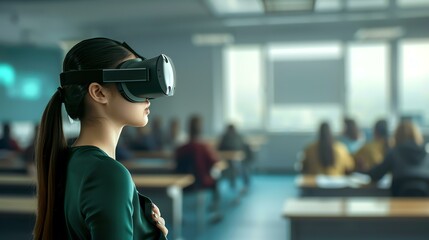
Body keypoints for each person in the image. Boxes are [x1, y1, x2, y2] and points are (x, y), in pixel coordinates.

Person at [33, 37, 168, 239]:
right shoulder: (108, 174)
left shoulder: (73, 161)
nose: (147, 95)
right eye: (133, 78)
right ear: (98, 92)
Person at [174, 114, 222, 218]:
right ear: (201, 128)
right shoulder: (205, 147)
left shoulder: (181, 148)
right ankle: (215, 212)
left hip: (183, 183)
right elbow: (215, 162)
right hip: (202, 182)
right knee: (216, 180)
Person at [367, 120, 429, 196]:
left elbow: (376, 175)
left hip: (399, 197)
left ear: (396, 136)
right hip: (425, 201)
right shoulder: (426, 154)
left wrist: (364, 170)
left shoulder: (394, 153)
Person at [217, 123, 253, 193]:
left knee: (241, 168)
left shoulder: (237, 137)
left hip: (238, 161)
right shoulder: (225, 137)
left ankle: (244, 185)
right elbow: (219, 148)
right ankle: (235, 183)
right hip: (227, 161)